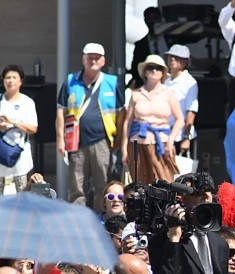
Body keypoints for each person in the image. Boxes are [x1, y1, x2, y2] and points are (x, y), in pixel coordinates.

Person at [56, 43, 124, 212]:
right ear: (83, 59)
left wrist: (119, 139)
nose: (93, 60)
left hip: (102, 142)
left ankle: (102, 221)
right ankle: (78, 221)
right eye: (90, 57)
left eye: (97, 57)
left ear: (103, 61)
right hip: (75, 143)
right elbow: (60, 112)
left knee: (103, 186)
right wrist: (60, 140)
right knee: (76, 188)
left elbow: (122, 114)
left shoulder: (111, 82)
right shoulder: (71, 81)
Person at [122, 55, 184, 184]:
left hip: (161, 142)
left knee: (164, 183)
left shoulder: (169, 93)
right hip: (138, 143)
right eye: (150, 68)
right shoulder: (136, 94)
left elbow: (180, 120)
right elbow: (127, 122)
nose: (154, 71)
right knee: (140, 184)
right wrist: (124, 149)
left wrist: (171, 140)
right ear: (145, 72)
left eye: (158, 68)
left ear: (163, 72)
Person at [0, 64, 38, 194]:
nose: (10, 81)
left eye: (14, 77)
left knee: (22, 193)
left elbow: (33, 128)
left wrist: (14, 122)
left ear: (21, 81)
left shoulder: (27, 102)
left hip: (19, 155)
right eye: (7, 77)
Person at [164, 45, 198, 157]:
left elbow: (191, 111)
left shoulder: (189, 82)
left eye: (177, 57)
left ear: (185, 61)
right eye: (171, 56)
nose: (172, 59)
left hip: (181, 135)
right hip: (165, 134)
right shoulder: (166, 81)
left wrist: (186, 138)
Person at [130, 7, 173, 88]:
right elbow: (135, 69)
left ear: (160, 19)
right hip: (150, 86)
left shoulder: (171, 39)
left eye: (155, 18)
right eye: (150, 18)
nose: (153, 22)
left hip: (171, 84)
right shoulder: (140, 45)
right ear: (145, 20)